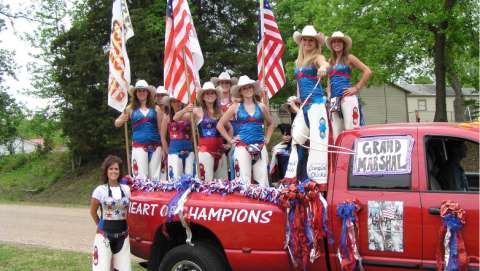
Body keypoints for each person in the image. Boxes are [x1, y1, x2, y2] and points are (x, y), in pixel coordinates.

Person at [283, 25, 330, 189]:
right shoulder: (298, 62)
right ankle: (293, 177)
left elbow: (325, 64)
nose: (308, 42)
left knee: (318, 141)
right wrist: (297, 98)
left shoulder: (318, 57)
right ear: (301, 42)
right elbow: (300, 84)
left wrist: (324, 68)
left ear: (316, 43)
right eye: (305, 39)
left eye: (311, 40)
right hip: (305, 105)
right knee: (296, 138)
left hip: (316, 104)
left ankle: (318, 180)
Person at [217, 75, 274, 187]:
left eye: (249, 87)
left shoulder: (261, 106)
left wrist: (268, 138)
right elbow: (220, 125)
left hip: (260, 146)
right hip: (242, 146)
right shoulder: (235, 107)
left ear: (253, 89)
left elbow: (271, 123)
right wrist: (230, 139)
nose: (248, 90)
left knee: (262, 179)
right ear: (240, 92)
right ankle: (243, 203)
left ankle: (262, 204)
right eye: (244, 88)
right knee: (243, 179)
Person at [175, 82, 229, 181]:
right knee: (206, 183)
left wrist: (229, 142)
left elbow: (230, 128)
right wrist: (185, 109)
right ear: (203, 97)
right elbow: (176, 118)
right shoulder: (197, 111)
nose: (210, 95)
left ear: (216, 96)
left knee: (222, 185)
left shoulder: (220, 112)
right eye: (207, 93)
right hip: (205, 152)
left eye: (212, 93)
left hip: (220, 152)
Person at [326, 31, 371, 142]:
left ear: (344, 44)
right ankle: (339, 158)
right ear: (331, 44)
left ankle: (352, 157)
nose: (337, 43)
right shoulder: (330, 61)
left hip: (347, 97)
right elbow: (329, 80)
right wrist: (328, 94)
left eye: (339, 41)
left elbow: (367, 71)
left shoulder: (349, 58)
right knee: (336, 132)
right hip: (334, 100)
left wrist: (356, 87)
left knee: (351, 129)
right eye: (334, 41)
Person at [115, 80, 162, 180]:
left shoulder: (156, 108)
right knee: (141, 177)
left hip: (156, 146)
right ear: (135, 93)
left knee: (155, 177)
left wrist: (163, 147)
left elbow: (160, 129)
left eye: (144, 90)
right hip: (139, 146)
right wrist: (122, 119)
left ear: (148, 93)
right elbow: (117, 123)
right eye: (139, 91)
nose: (141, 93)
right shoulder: (130, 108)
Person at [90, 155, 131, 271]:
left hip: (123, 236)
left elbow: (128, 211)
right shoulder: (100, 190)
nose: (114, 171)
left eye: (116, 169)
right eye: (111, 168)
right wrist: (100, 226)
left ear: (120, 171)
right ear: (106, 171)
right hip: (104, 236)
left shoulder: (126, 190)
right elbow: (92, 211)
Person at [161, 96, 194, 181]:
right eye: (174, 102)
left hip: (189, 150)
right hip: (174, 150)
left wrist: (192, 145)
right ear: (170, 103)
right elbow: (162, 136)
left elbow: (193, 134)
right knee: (175, 178)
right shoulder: (167, 117)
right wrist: (167, 151)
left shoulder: (188, 116)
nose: (177, 103)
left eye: (179, 101)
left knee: (190, 177)